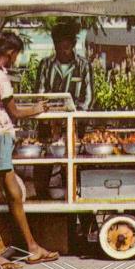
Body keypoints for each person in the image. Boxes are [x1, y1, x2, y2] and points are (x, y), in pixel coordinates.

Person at [0, 31, 59, 269]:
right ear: (11, 53)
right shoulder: (0, 77)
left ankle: (32, 248)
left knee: (13, 194)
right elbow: (15, 112)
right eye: (17, 54)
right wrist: (37, 108)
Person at [32, 22, 94, 201]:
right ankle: (43, 209)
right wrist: (51, 117)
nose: (63, 52)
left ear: (73, 44)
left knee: (73, 172)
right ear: (54, 45)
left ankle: (80, 218)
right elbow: (40, 94)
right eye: (59, 47)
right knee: (43, 168)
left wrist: (73, 118)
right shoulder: (45, 65)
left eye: (67, 47)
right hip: (48, 128)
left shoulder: (84, 65)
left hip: (74, 128)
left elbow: (89, 99)